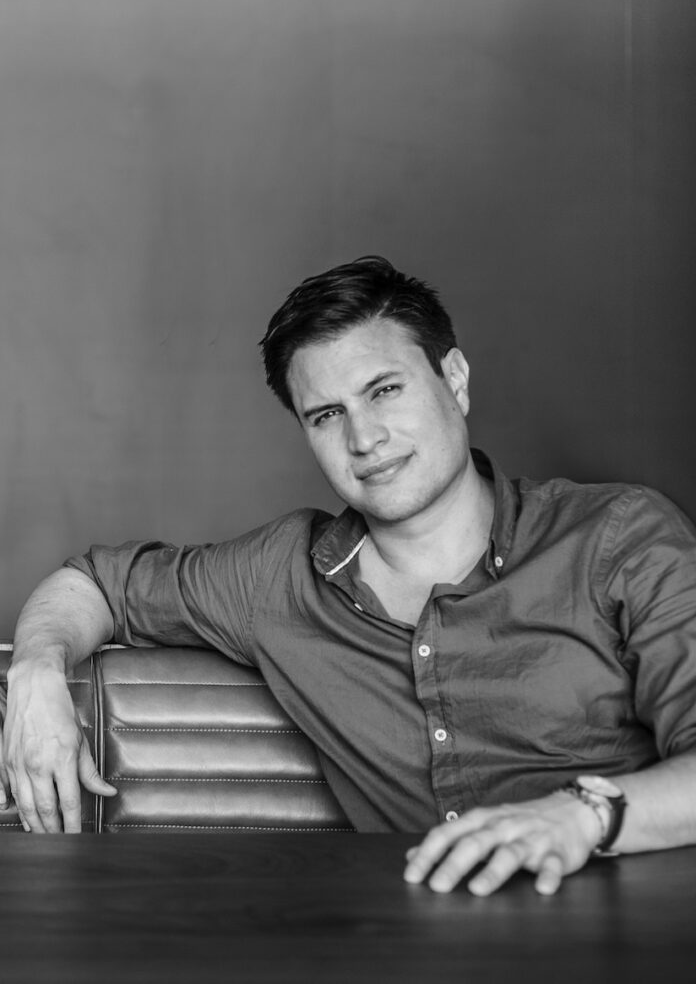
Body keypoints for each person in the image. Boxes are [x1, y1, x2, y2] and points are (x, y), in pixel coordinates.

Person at [2, 255, 696, 897]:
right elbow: (94, 581)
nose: (364, 439)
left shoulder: (617, 537)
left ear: (453, 379)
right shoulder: (276, 578)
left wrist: (581, 816)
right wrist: (35, 670)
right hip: (414, 945)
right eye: (328, 415)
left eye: (385, 390)